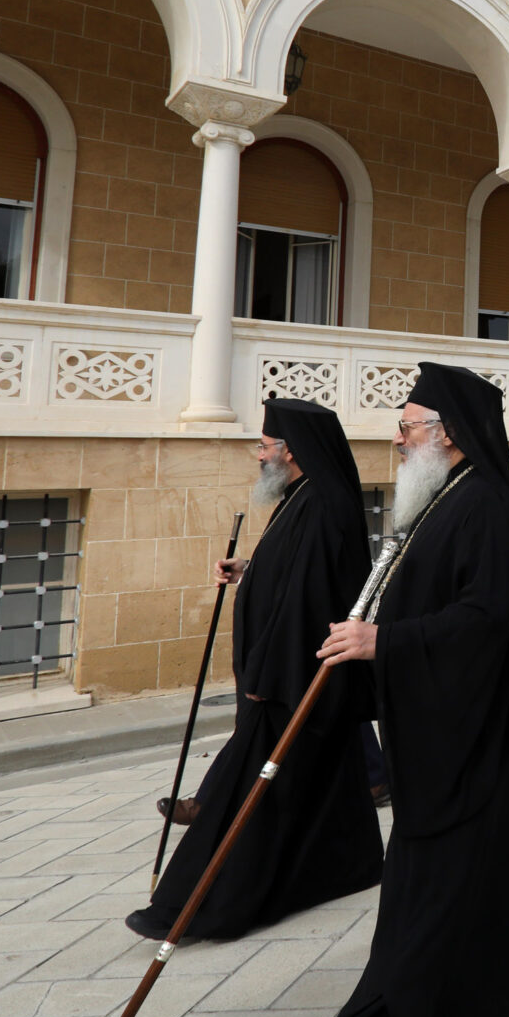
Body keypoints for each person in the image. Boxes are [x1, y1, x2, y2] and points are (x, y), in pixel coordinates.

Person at [315, 363, 509, 1017]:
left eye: (407, 426)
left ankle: (425, 992)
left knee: (455, 866)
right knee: (464, 868)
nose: (398, 440)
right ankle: (488, 975)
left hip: (473, 729)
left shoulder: (481, 503)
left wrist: (385, 642)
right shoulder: (446, 494)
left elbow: (485, 621)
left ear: (449, 433)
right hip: (443, 722)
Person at [128, 399, 383, 942]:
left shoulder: (322, 503)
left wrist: (268, 679)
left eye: (264, 447)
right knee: (324, 785)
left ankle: (195, 906)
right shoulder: (301, 498)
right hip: (288, 673)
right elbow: (290, 575)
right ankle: (353, 865)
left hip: (291, 678)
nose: (258, 457)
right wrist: (250, 569)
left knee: (255, 802)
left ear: (290, 451)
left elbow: (310, 601)